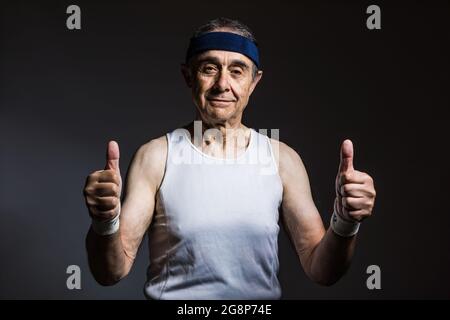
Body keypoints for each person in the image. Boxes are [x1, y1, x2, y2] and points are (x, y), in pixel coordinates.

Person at [83, 17, 376, 299]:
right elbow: (111, 272)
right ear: (188, 75)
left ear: (254, 82)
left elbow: (321, 269)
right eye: (209, 68)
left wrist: (345, 222)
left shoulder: (281, 160)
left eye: (237, 71)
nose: (223, 84)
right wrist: (105, 221)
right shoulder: (157, 157)